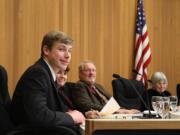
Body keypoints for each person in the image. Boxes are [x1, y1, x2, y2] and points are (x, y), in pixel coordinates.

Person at [11, 31, 85, 135]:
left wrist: (84, 114)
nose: (68, 55)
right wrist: (71, 117)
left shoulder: (47, 74)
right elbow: (39, 116)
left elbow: (54, 107)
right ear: (46, 50)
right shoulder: (38, 73)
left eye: (70, 51)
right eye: (61, 49)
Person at [72, 60, 140, 118]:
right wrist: (114, 111)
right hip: (99, 116)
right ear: (80, 73)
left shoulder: (98, 86)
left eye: (93, 70)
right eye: (88, 70)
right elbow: (86, 105)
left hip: (112, 115)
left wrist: (126, 110)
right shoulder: (79, 86)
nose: (91, 73)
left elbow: (112, 102)